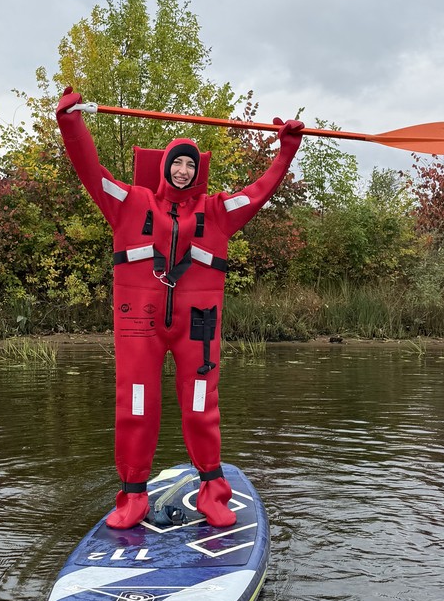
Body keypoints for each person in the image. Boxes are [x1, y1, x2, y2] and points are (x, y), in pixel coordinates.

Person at [56, 88, 305, 529]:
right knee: (136, 406)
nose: (184, 169)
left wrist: (285, 151)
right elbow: (90, 171)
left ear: (198, 170)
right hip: (138, 327)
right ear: (165, 166)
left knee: (199, 408)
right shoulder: (129, 203)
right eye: (178, 162)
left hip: (198, 329)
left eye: (191, 163)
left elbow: (259, 192)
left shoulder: (218, 211)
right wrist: (71, 123)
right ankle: (132, 496)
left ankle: (213, 491)